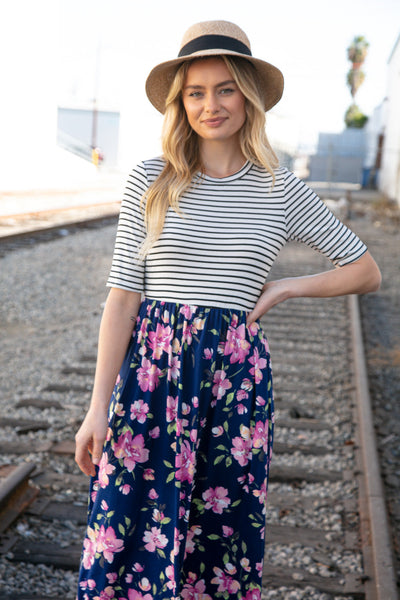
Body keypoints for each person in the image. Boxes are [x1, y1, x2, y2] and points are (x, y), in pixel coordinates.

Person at [75, 20, 381, 600]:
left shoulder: (278, 188)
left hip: (234, 381)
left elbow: (365, 269)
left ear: (248, 95)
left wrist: (285, 288)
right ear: (180, 103)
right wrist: (96, 409)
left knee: (219, 537)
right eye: (195, 92)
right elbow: (122, 299)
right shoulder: (151, 179)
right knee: (127, 527)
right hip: (151, 377)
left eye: (224, 89)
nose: (210, 104)